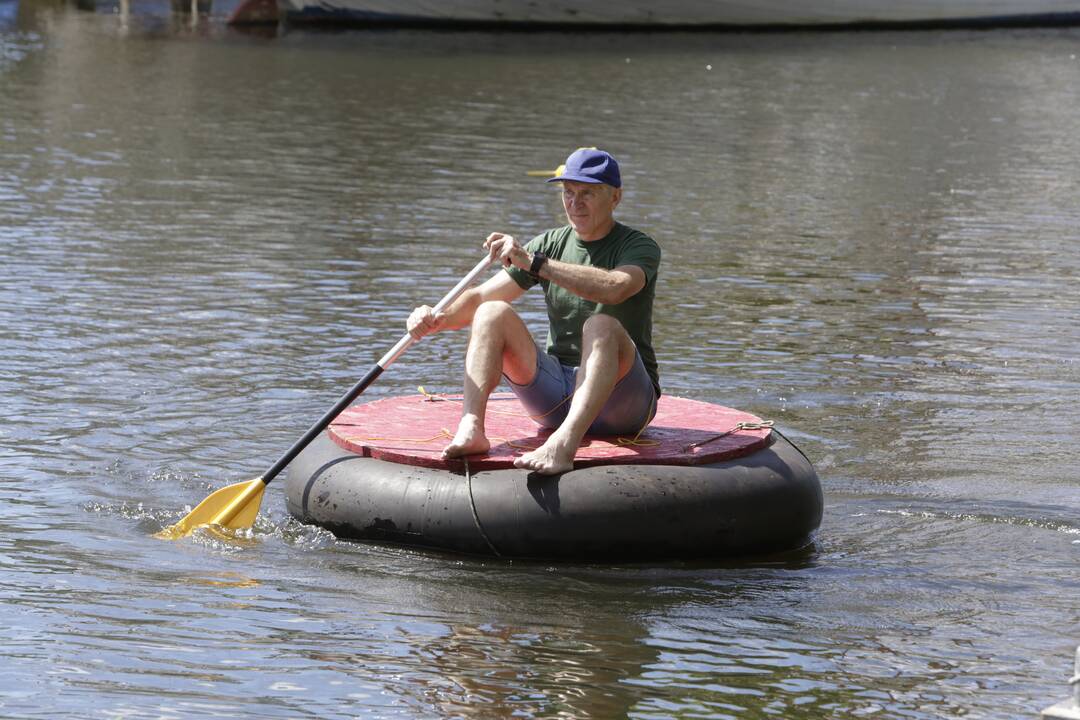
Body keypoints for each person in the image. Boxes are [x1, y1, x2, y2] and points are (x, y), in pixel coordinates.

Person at [406, 148, 661, 475]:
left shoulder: (639, 246)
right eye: (568, 193)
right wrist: (435, 318)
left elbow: (615, 287)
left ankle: (563, 444)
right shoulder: (551, 243)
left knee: (602, 326)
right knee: (491, 312)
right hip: (556, 395)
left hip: (623, 402)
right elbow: (480, 296)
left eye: (587, 193)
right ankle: (472, 427)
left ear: (615, 197)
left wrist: (537, 263)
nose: (574, 202)